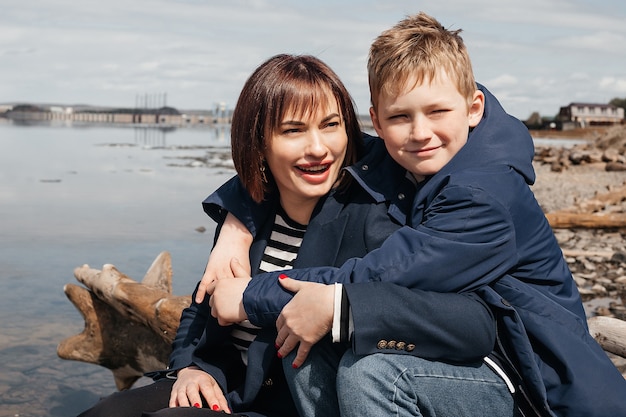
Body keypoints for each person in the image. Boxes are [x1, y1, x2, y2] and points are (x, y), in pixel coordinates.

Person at [204, 12, 626, 417]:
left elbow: (380, 275)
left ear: (473, 108)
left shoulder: (482, 197)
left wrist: (250, 295)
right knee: (312, 348)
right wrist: (238, 221)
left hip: (536, 385)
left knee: (375, 375)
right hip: (468, 357)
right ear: (378, 121)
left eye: (438, 112)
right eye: (400, 117)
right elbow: (311, 157)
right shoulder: (431, 155)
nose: (420, 132)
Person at [76, 53, 496, 417]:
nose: (318, 148)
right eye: (293, 130)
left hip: (297, 399)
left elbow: (458, 318)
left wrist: (338, 310)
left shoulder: (375, 216)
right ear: (259, 143)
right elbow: (202, 307)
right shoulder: (252, 213)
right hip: (224, 381)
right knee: (104, 412)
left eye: (330, 125)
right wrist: (187, 366)